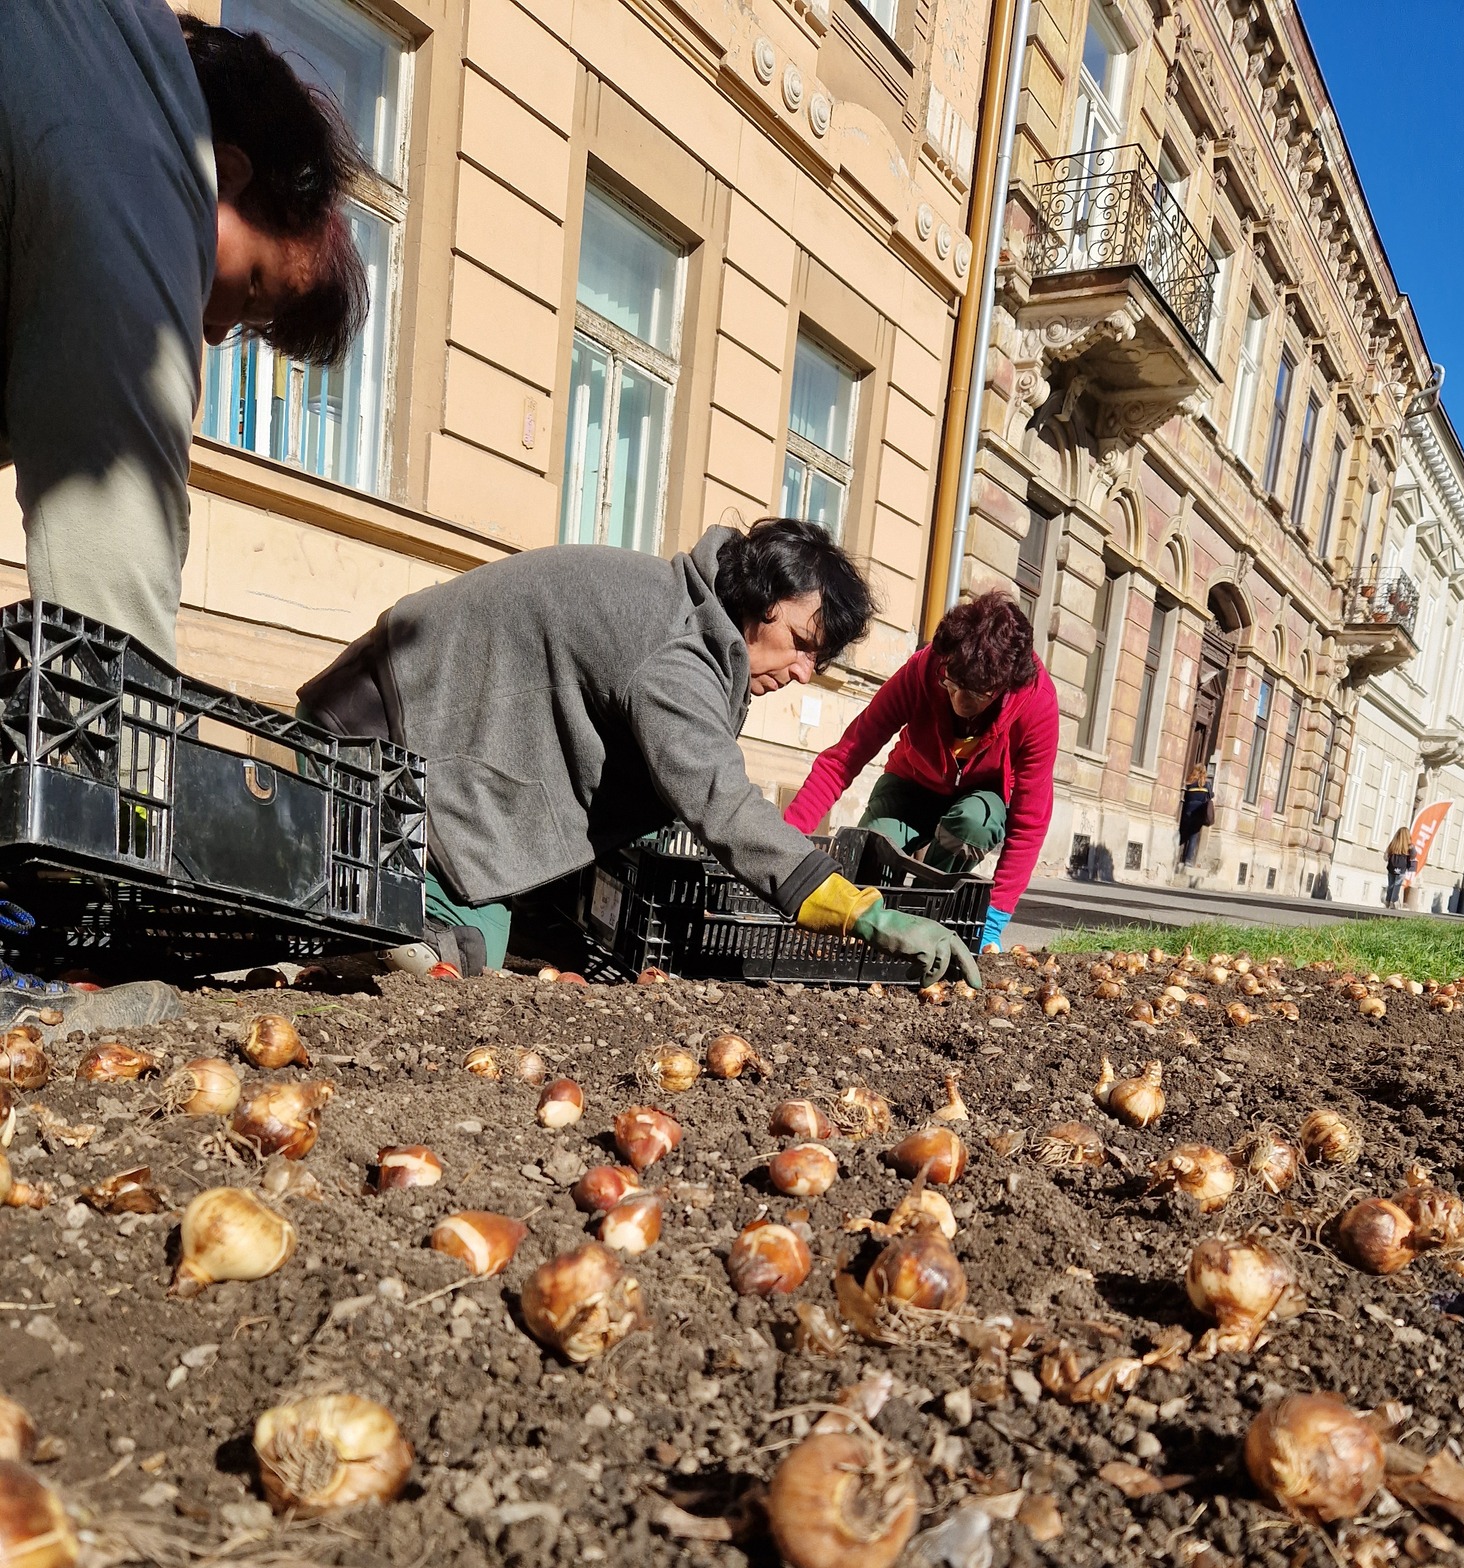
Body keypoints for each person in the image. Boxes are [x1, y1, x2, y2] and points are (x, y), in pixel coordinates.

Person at [0, 5, 370, 1031]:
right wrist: (140, 856)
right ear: (233, 173)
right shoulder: (142, 145)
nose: (213, 327)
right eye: (246, 291)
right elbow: (112, 554)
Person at [297, 519, 981, 987]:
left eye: (819, 657)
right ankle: (355, 917)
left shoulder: (681, 609)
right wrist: (867, 914)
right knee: (467, 953)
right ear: (762, 600)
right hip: (373, 747)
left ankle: (376, 901)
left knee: (540, 944)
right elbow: (722, 801)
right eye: (803, 643)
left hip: (413, 742)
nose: (805, 670)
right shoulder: (677, 649)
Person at [782, 591, 1058, 953]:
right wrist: (783, 843)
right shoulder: (924, 669)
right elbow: (846, 756)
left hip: (976, 799)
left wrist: (995, 917)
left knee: (977, 822)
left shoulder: (1036, 704)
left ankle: (932, 912)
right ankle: (872, 933)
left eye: (974, 694)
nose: (959, 702)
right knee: (875, 844)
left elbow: (1030, 820)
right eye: (951, 684)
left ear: (1003, 688)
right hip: (910, 785)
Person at [1177, 769, 1214, 869]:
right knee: (1193, 836)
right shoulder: (1206, 785)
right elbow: (1211, 796)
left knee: (1184, 833)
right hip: (1199, 813)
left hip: (1188, 812)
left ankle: (1177, 855)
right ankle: (1188, 860)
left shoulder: (1189, 784)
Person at [1384, 825, 1415, 909]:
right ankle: (1393, 901)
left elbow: (1386, 856)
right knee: (1397, 885)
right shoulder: (1409, 846)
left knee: (1391, 884)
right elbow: (1413, 856)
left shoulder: (1393, 844)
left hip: (1391, 867)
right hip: (1401, 868)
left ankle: (1387, 900)